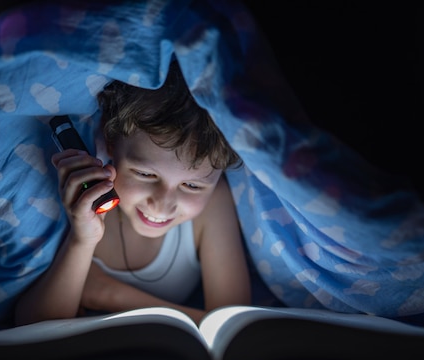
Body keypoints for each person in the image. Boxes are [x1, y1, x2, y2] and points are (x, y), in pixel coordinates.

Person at [14, 60, 251, 326]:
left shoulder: (214, 202)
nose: (162, 205)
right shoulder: (85, 202)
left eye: (192, 186)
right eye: (146, 174)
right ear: (111, 143)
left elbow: (235, 326)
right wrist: (82, 241)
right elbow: (32, 325)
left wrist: (108, 294)